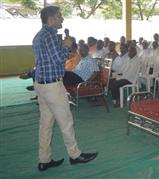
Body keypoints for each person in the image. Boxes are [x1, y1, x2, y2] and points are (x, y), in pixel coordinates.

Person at [32, 6, 97, 172]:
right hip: (52, 85)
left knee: (45, 123)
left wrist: (63, 46)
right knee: (66, 121)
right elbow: (57, 59)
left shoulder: (38, 36)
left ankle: (44, 159)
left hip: (41, 83)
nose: (62, 19)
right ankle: (75, 155)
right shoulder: (51, 35)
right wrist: (67, 46)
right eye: (59, 16)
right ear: (51, 19)